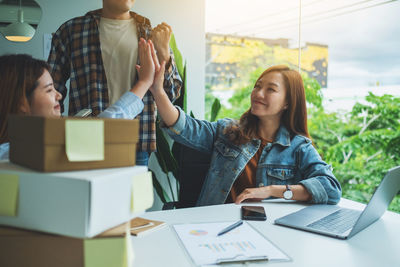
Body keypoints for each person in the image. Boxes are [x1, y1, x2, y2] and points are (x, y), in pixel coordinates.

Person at [145, 40, 341, 206]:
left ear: (287, 103)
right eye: (257, 86)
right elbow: (183, 127)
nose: (258, 93)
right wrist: (158, 91)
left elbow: (331, 188)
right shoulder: (226, 131)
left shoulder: (299, 147)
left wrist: (272, 190)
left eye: (271, 89)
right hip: (216, 226)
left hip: (268, 232)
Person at [48, 0, 182, 165]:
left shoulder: (151, 35)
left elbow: (172, 94)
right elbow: (51, 90)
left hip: (136, 144)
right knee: (85, 191)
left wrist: (164, 54)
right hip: (86, 140)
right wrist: (54, 140)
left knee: (131, 192)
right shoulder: (71, 31)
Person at [0, 39, 160, 160]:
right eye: (49, 89)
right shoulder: (22, 154)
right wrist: (144, 82)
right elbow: (104, 128)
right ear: (22, 102)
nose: (59, 95)